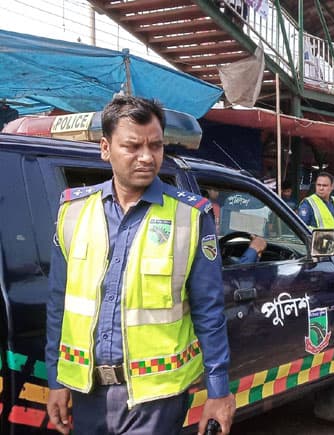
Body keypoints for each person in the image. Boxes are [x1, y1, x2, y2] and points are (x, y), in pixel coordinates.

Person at [45, 96, 235, 435]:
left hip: (157, 399)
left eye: (156, 146)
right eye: (133, 146)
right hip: (85, 391)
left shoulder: (189, 216)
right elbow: (59, 303)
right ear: (106, 148)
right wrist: (55, 378)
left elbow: (209, 310)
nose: (147, 157)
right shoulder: (73, 212)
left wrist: (219, 390)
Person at [297, 172, 334, 250]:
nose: (321, 188)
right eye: (318, 185)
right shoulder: (308, 203)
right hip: (319, 251)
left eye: (325, 185)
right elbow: (301, 229)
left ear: (332, 187)